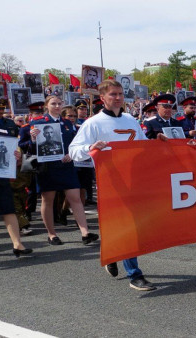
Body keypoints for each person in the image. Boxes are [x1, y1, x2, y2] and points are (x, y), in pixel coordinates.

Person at [69, 79, 162, 291]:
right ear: (103, 98)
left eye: (120, 94)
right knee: (128, 227)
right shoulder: (93, 123)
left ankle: (113, 251)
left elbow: (142, 146)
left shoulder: (130, 119)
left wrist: (158, 142)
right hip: (110, 182)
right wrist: (91, 147)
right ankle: (134, 274)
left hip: (134, 179)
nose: (118, 97)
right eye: (113, 94)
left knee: (132, 226)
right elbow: (73, 150)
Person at [29, 95, 99, 246]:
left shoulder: (67, 123)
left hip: (66, 165)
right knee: (48, 200)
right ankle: (52, 234)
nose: (57, 106)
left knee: (75, 198)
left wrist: (70, 154)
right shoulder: (38, 123)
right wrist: (33, 139)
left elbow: (75, 142)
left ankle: (85, 232)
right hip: (47, 167)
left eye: (59, 104)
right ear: (47, 106)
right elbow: (30, 148)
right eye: (53, 103)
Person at [0, 111, 33, 259]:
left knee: (8, 209)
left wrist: (16, 155)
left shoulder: (1, 132)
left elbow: (14, 150)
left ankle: (17, 244)